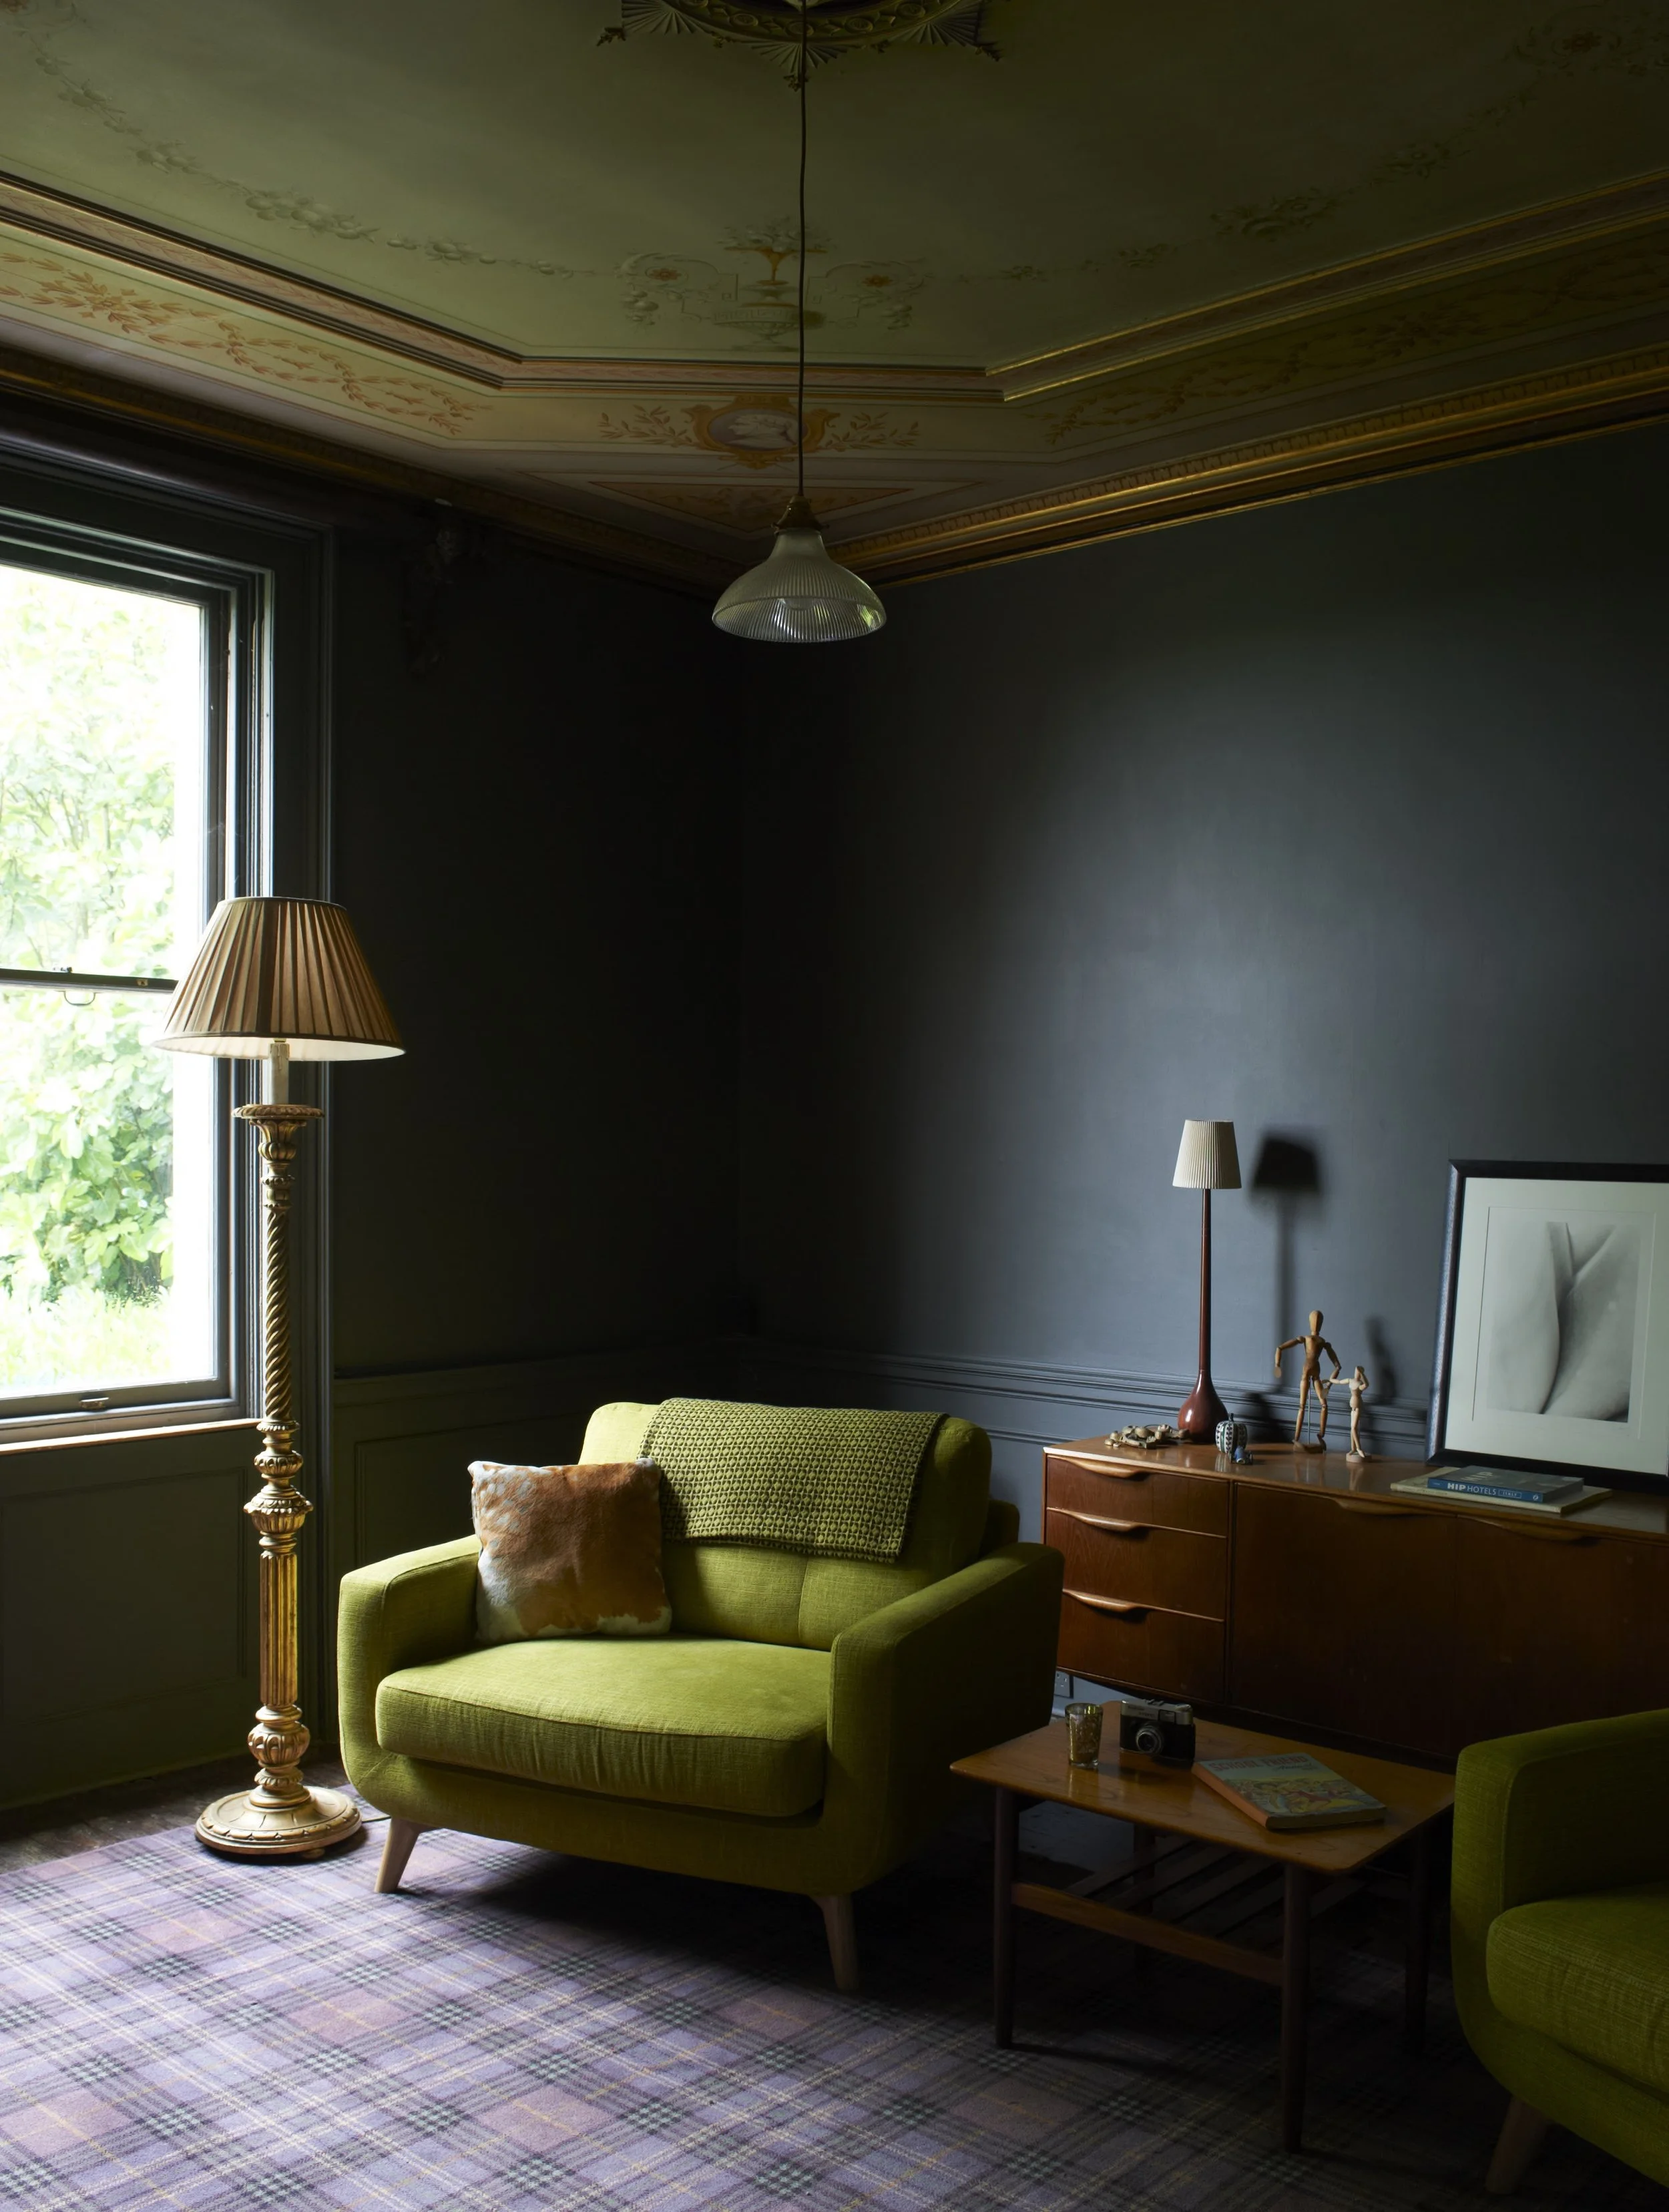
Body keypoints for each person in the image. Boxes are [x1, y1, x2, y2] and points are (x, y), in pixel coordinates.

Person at [1275, 1310, 1343, 1452]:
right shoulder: (1306, 1339)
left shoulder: (1323, 1343)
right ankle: (1297, 1438)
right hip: (1306, 1374)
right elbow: (1280, 1348)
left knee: (1324, 1405)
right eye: (1315, 1319)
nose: (1317, 1322)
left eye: (1319, 1320)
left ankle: (1320, 1435)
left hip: (1316, 1375)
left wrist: (1329, 1385)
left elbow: (1338, 1366)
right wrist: (1277, 1364)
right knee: (1302, 1406)